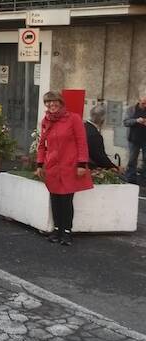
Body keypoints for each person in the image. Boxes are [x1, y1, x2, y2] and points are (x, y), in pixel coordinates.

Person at [35, 91, 93, 246]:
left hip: (70, 165)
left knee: (66, 200)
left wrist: (82, 164)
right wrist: (40, 164)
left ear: (60, 103)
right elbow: (42, 145)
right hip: (53, 167)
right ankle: (56, 229)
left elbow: (82, 142)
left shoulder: (73, 119)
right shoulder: (46, 121)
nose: (51, 105)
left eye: (54, 102)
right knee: (55, 199)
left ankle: (66, 232)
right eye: (48, 102)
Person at [84, 104, 118, 171]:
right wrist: (113, 167)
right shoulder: (95, 135)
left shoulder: (83, 126)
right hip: (88, 167)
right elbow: (99, 157)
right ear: (102, 119)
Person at [123, 93, 146, 185]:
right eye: (143, 103)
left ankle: (144, 179)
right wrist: (136, 120)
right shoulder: (131, 109)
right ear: (139, 101)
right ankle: (131, 177)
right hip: (134, 139)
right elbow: (125, 122)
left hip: (145, 139)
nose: (145, 105)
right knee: (132, 159)